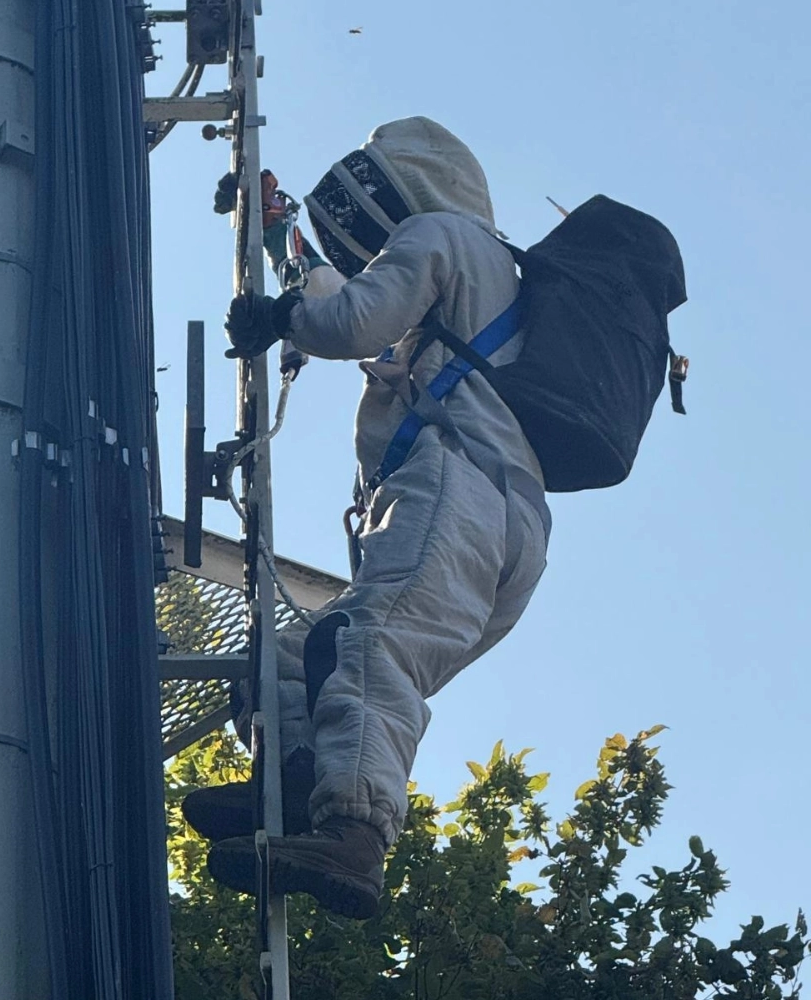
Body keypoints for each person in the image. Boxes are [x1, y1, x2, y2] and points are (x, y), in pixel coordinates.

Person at [183, 117, 552, 920]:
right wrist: (276, 229)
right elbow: (342, 300)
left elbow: (349, 321)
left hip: (462, 493)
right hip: (491, 527)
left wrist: (279, 321)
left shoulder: (443, 235)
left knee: (371, 646)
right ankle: (289, 788)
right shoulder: (476, 285)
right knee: (302, 649)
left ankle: (353, 832)